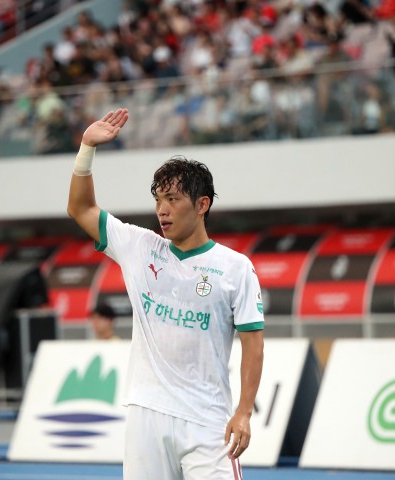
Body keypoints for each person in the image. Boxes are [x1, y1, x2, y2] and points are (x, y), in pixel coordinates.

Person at [67, 108, 264, 479]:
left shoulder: (235, 267)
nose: (162, 210)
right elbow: (80, 208)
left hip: (207, 422)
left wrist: (244, 412)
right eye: (158, 199)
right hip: (146, 416)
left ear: (202, 204)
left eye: (173, 199)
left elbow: (253, 343)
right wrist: (86, 149)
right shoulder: (139, 246)